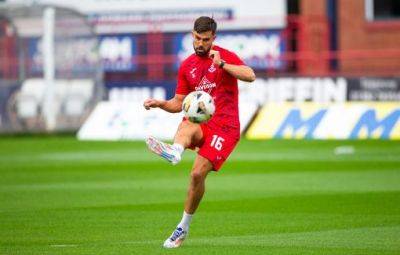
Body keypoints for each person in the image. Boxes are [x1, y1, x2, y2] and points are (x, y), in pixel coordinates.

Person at [143, 16, 255, 248]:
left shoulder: (225, 56)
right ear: (192, 35)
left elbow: (250, 75)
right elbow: (179, 102)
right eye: (197, 38)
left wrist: (222, 64)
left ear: (213, 38)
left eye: (205, 39)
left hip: (225, 128)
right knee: (189, 117)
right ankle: (175, 151)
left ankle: (182, 228)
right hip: (203, 122)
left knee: (196, 176)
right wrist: (160, 103)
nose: (200, 43)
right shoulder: (187, 66)